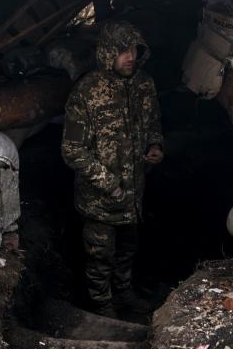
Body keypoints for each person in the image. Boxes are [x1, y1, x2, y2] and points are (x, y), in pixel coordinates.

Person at [61, 20, 164, 318]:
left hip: (134, 193)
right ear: (107, 53)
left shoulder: (144, 84)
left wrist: (156, 146)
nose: (130, 56)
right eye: (122, 51)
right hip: (100, 199)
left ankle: (124, 293)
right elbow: (72, 151)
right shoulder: (87, 93)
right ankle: (102, 306)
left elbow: (154, 121)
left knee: (128, 249)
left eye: (134, 49)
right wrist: (109, 182)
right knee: (99, 256)